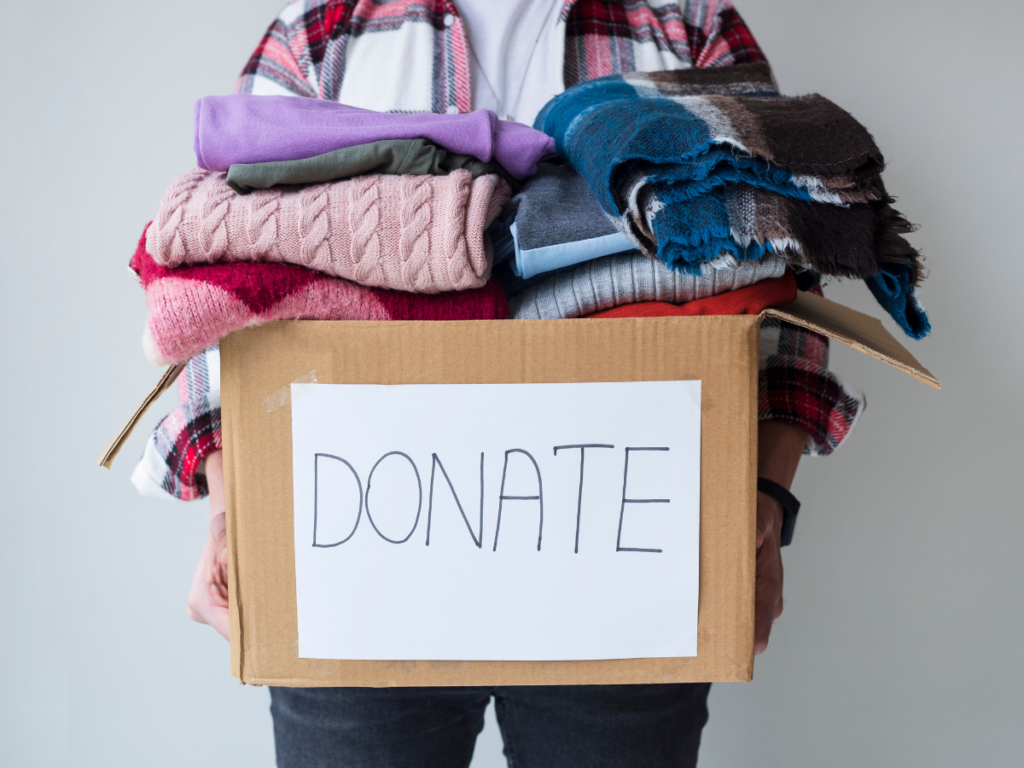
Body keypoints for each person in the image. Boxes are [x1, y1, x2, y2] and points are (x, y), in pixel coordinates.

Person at [165, 1, 867, 765]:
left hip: (627, 565)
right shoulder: (323, 32)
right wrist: (235, 506)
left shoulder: (686, 22)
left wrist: (766, 497)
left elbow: (783, 271)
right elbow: (225, 273)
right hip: (358, 564)